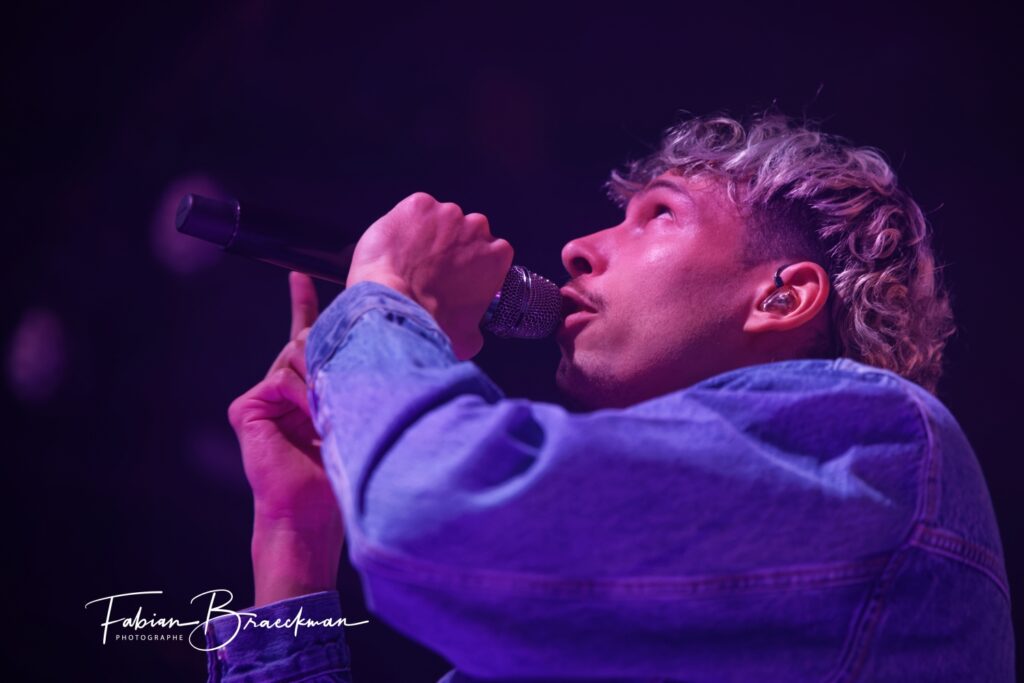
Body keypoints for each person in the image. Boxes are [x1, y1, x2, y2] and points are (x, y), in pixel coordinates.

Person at [206, 113, 1014, 682]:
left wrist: (390, 294)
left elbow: (431, 512)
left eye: (657, 215)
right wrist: (295, 547)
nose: (577, 249)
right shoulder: (618, 602)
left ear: (782, 296)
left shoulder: (883, 444)